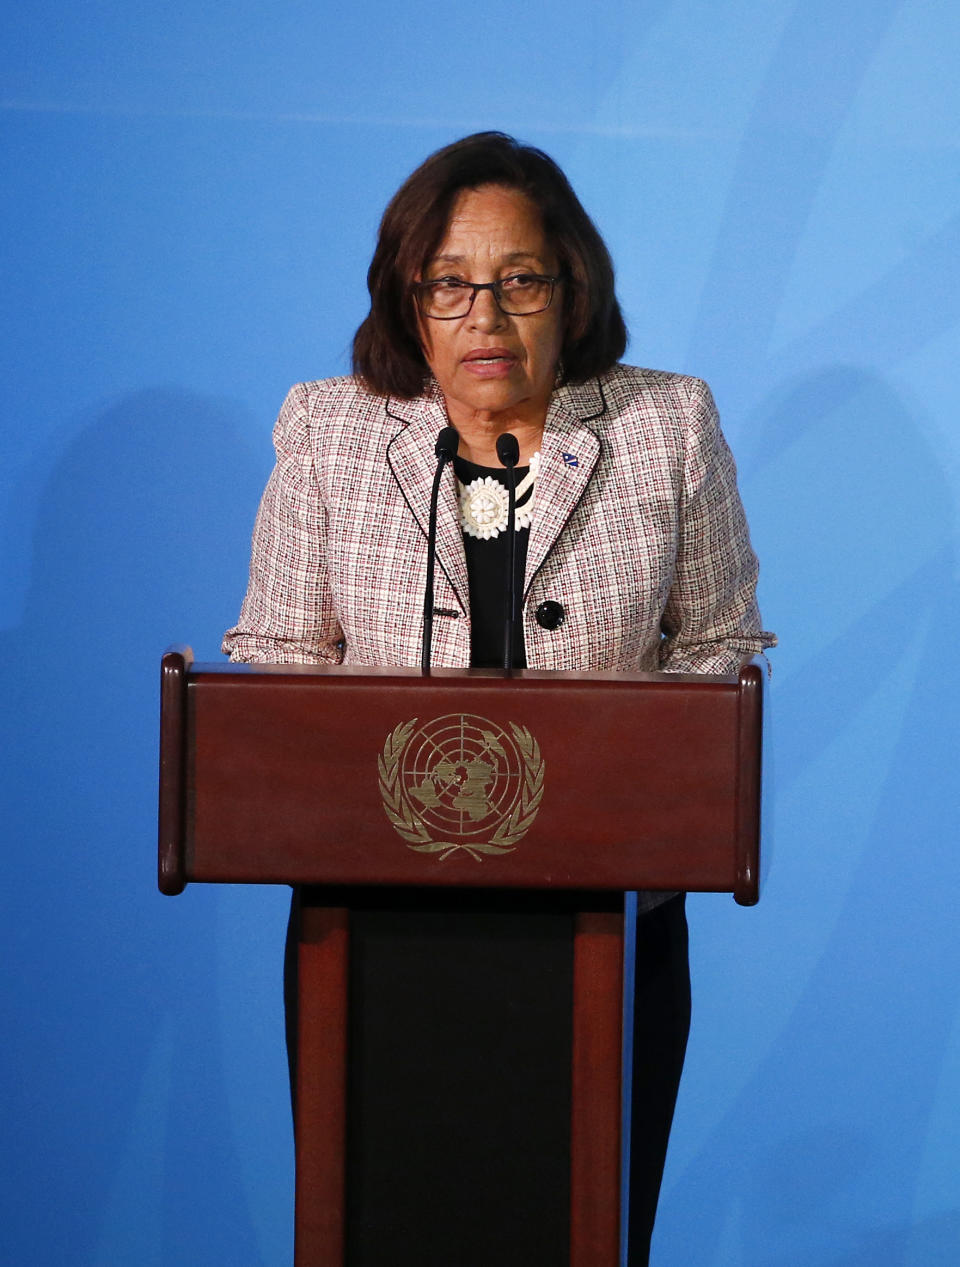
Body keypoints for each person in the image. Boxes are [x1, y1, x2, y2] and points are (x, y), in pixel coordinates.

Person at [223, 131, 775, 1265]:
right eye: (450, 284)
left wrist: (618, 797)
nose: (486, 315)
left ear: (573, 291)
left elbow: (722, 646)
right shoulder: (328, 432)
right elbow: (276, 664)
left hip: (606, 928)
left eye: (520, 280)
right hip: (368, 937)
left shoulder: (665, 425)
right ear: (408, 300)